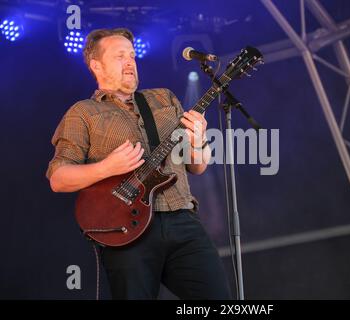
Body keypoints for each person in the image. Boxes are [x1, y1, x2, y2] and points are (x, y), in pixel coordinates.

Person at [46, 28, 231, 300]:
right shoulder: (83, 112)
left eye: (132, 55)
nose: (130, 61)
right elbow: (59, 178)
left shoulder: (164, 98)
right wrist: (107, 167)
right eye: (120, 56)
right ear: (96, 65)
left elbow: (197, 166)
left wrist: (199, 141)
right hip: (126, 231)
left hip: (182, 219)